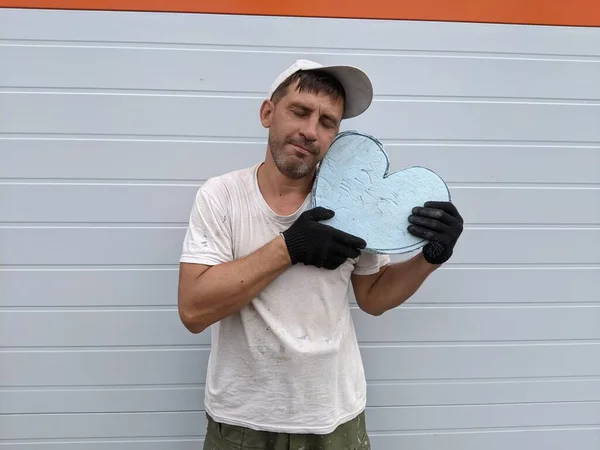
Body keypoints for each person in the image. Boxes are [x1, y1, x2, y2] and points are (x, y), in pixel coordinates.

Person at [177, 59, 464, 450]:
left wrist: (431, 257)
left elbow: (374, 298)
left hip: (332, 418)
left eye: (327, 122)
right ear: (268, 113)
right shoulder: (221, 196)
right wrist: (290, 248)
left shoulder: (353, 203)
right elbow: (194, 310)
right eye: (300, 111)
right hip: (241, 420)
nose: (310, 131)